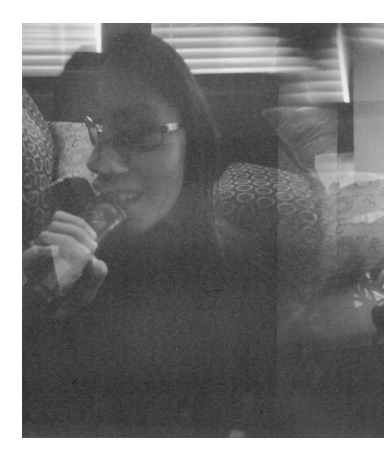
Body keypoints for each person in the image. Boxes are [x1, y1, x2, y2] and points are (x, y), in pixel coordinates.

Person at [22, 32, 276, 437]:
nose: (98, 163)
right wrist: (33, 318)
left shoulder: (244, 271)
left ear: (193, 140)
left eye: (138, 133)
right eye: (98, 131)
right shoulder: (67, 265)